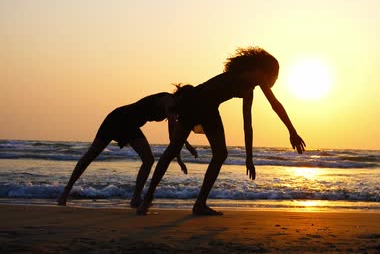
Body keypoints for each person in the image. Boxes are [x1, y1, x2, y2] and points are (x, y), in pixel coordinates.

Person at [137, 47, 306, 216]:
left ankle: (147, 200)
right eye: (274, 75)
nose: (273, 80)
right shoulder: (258, 76)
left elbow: (248, 125)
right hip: (204, 106)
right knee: (218, 154)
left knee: (173, 151)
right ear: (265, 70)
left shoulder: (248, 89)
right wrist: (292, 131)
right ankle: (199, 204)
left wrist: (249, 158)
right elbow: (274, 104)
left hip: (192, 100)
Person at [57, 89, 198, 208]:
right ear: (181, 96)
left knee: (148, 160)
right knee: (91, 155)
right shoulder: (169, 100)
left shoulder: (174, 108)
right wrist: (180, 157)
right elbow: (172, 132)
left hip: (129, 123)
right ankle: (65, 192)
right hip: (119, 118)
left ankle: (136, 198)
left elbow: (175, 133)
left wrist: (186, 146)